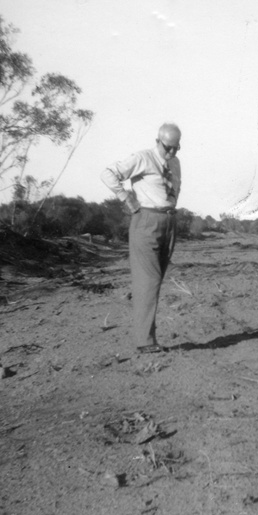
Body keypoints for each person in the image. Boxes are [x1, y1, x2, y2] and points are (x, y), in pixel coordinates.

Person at [100, 123, 182, 353]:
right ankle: (145, 341)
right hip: (146, 220)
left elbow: (175, 188)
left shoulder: (175, 163)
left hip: (169, 221)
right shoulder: (143, 158)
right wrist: (125, 197)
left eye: (177, 148)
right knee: (148, 281)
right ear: (158, 141)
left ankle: (147, 336)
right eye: (168, 148)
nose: (172, 153)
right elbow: (108, 173)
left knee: (156, 280)